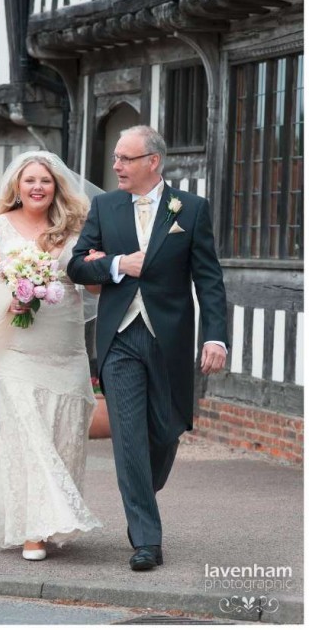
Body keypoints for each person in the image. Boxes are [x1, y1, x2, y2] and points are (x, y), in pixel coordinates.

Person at [67, 125, 228, 571]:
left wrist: (215, 336)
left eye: (125, 158)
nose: (116, 165)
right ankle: (146, 540)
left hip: (169, 339)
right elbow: (77, 265)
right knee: (129, 439)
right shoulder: (104, 207)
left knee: (166, 429)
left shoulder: (190, 210)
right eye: (116, 157)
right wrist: (117, 264)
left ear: (152, 162)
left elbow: (209, 281)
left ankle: (140, 490)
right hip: (119, 338)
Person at [0, 151, 102, 561]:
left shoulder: (75, 228)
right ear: (17, 185)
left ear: (56, 187)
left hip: (64, 345)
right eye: (30, 180)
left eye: (45, 181)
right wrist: (9, 297)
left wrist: (98, 268)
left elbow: (94, 290)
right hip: (14, 345)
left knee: (61, 435)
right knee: (25, 435)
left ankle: (51, 521)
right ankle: (33, 530)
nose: (37, 187)